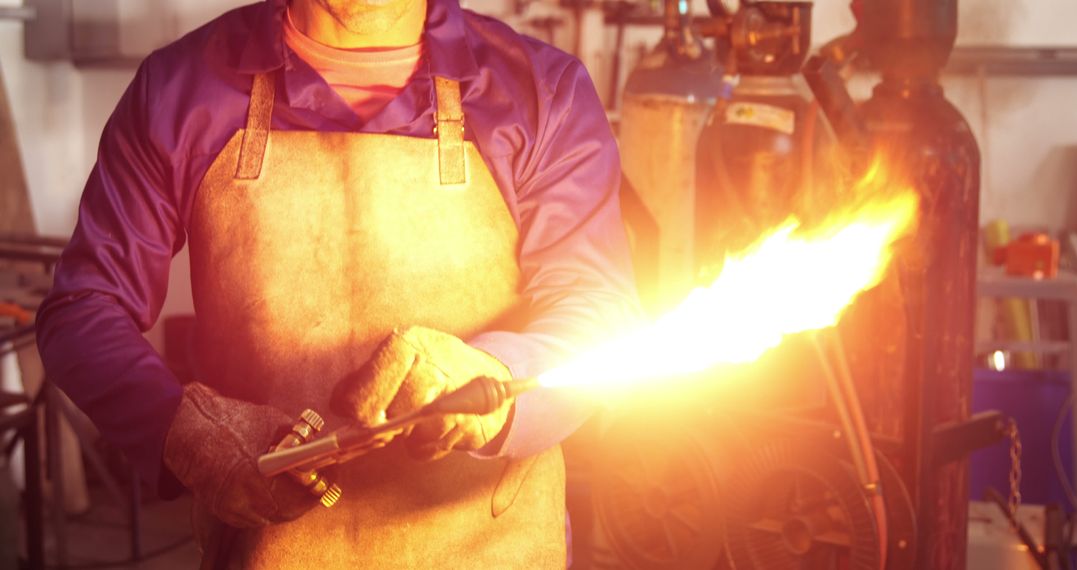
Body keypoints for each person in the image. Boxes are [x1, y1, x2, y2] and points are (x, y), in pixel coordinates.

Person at [35, 0, 639, 566]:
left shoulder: (541, 92)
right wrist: (186, 431)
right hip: (267, 552)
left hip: (494, 548)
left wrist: (494, 381)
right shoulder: (179, 91)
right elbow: (83, 310)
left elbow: (597, 309)